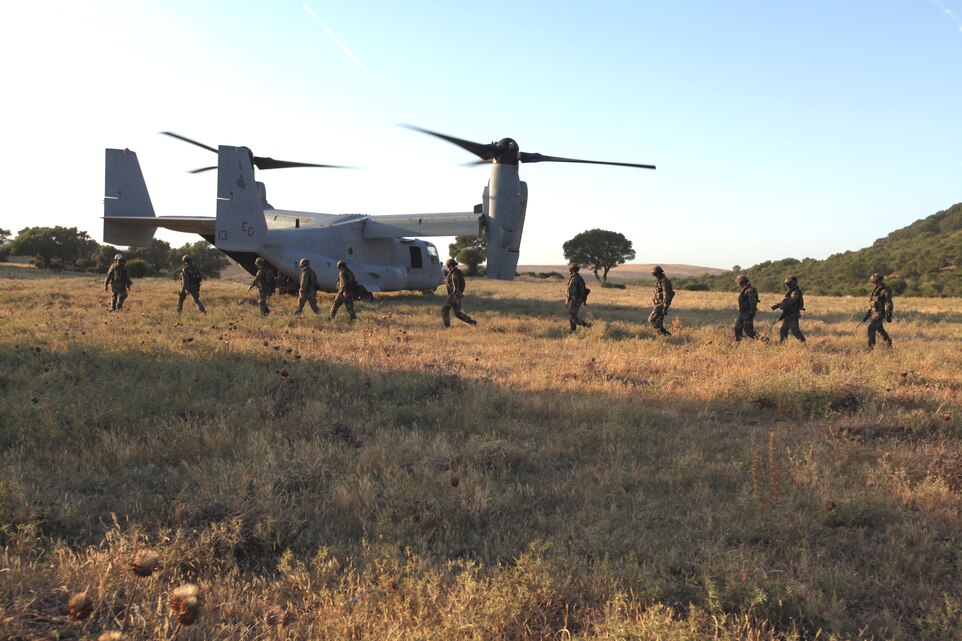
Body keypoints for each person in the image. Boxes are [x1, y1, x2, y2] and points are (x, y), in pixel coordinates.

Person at [441, 258, 477, 328]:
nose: (447, 268)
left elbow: (456, 288)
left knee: (444, 309)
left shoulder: (454, 275)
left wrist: (457, 298)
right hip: (457, 295)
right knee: (457, 313)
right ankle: (472, 322)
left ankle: (446, 326)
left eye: (447, 266)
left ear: (450, 266)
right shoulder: (456, 273)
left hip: (454, 296)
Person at [771, 275, 805, 342]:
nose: (787, 285)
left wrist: (780, 305)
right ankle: (782, 344)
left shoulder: (795, 292)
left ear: (793, 283)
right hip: (788, 314)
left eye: (788, 283)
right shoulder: (791, 292)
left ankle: (803, 343)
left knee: (795, 331)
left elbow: (791, 302)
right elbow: (787, 302)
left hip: (793, 314)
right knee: (783, 330)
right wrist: (780, 305)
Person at [865, 273, 893, 349]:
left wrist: (889, 315)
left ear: (880, 281)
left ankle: (871, 348)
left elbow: (888, 302)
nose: (874, 284)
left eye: (876, 282)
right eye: (873, 282)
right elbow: (871, 302)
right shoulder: (874, 290)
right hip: (873, 313)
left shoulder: (885, 290)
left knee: (871, 328)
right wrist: (868, 312)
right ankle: (888, 343)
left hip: (880, 314)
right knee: (880, 330)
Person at [734, 274, 763, 341]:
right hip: (743, 313)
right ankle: (738, 342)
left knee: (749, 331)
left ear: (741, 282)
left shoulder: (750, 290)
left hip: (748, 313)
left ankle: (764, 340)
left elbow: (752, 302)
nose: (737, 284)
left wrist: (750, 312)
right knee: (737, 328)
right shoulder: (744, 290)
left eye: (738, 282)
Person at [565, 263, 592, 332]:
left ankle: (586, 325)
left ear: (571, 270)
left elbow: (571, 292)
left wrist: (567, 300)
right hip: (578, 300)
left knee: (572, 317)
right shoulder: (579, 278)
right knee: (572, 315)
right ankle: (573, 330)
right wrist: (584, 301)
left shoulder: (574, 279)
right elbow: (584, 291)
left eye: (570, 270)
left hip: (575, 300)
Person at [648, 265, 674, 336]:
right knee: (659, 322)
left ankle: (665, 334)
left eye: (655, 274)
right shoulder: (659, 281)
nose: (654, 276)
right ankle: (664, 336)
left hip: (661, 304)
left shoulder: (664, 281)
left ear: (658, 273)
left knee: (652, 320)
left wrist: (665, 307)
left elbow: (666, 295)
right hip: (658, 304)